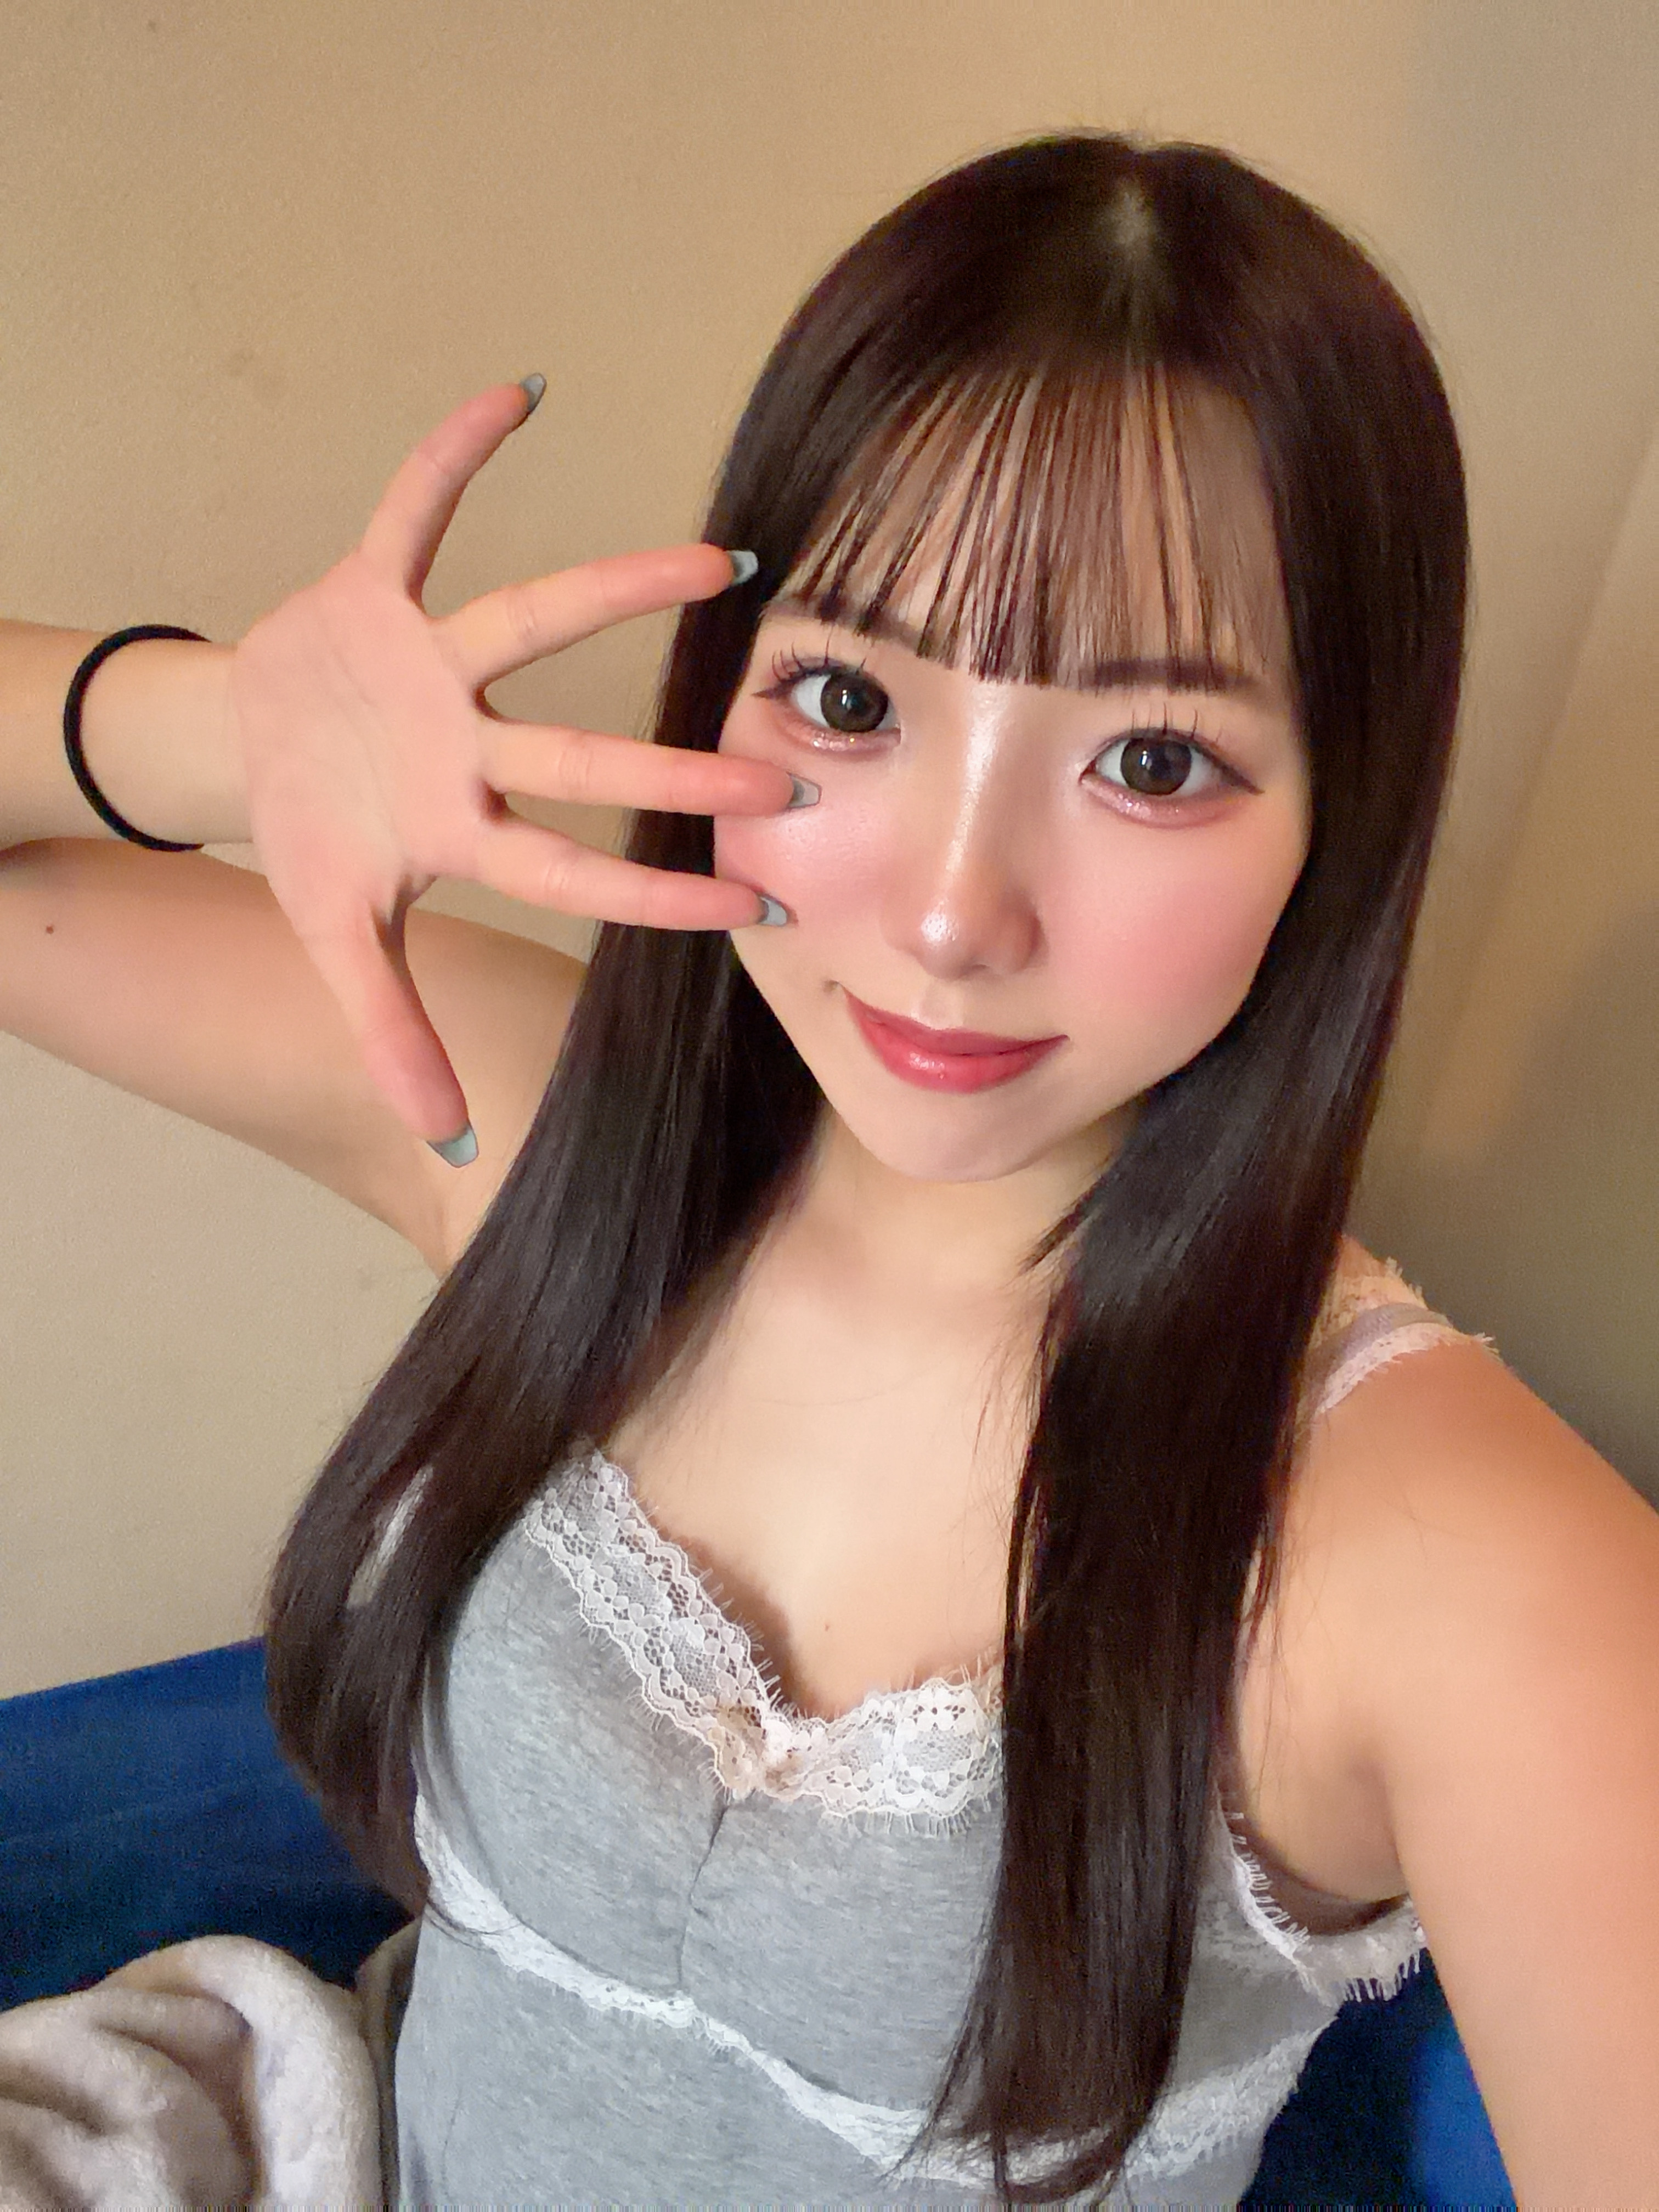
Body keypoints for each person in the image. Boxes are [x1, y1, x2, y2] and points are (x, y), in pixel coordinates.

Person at [1, 132, 1655, 2205]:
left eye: (1152, 760)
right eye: (852, 698)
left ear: (1345, 814)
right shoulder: (558, 1140)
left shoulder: (1454, 1561)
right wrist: (224, 728)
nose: (954, 913)